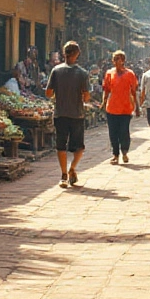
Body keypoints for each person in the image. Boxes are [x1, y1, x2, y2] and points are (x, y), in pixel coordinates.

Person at [46, 41, 91, 188]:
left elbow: (48, 93)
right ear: (77, 54)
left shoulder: (56, 71)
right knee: (79, 147)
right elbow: (86, 97)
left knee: (61, 145)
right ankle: (72, 168)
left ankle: (64, 174)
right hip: (77, 114)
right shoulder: (82, 73)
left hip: (60, 114)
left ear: (64, 53)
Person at [101, 50, 139, 164]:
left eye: (119, 59)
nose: (117, 61)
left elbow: (133, 92)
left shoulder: (130, 74)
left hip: (126, 108)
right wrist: (103, 102)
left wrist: (137, 107)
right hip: (111, 108)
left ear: (123, 60)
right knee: (113, 133)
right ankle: (115, 155)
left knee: (124, 131)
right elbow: (106, 90)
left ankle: (125, 152)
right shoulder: (109, 73)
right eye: (115, 59)